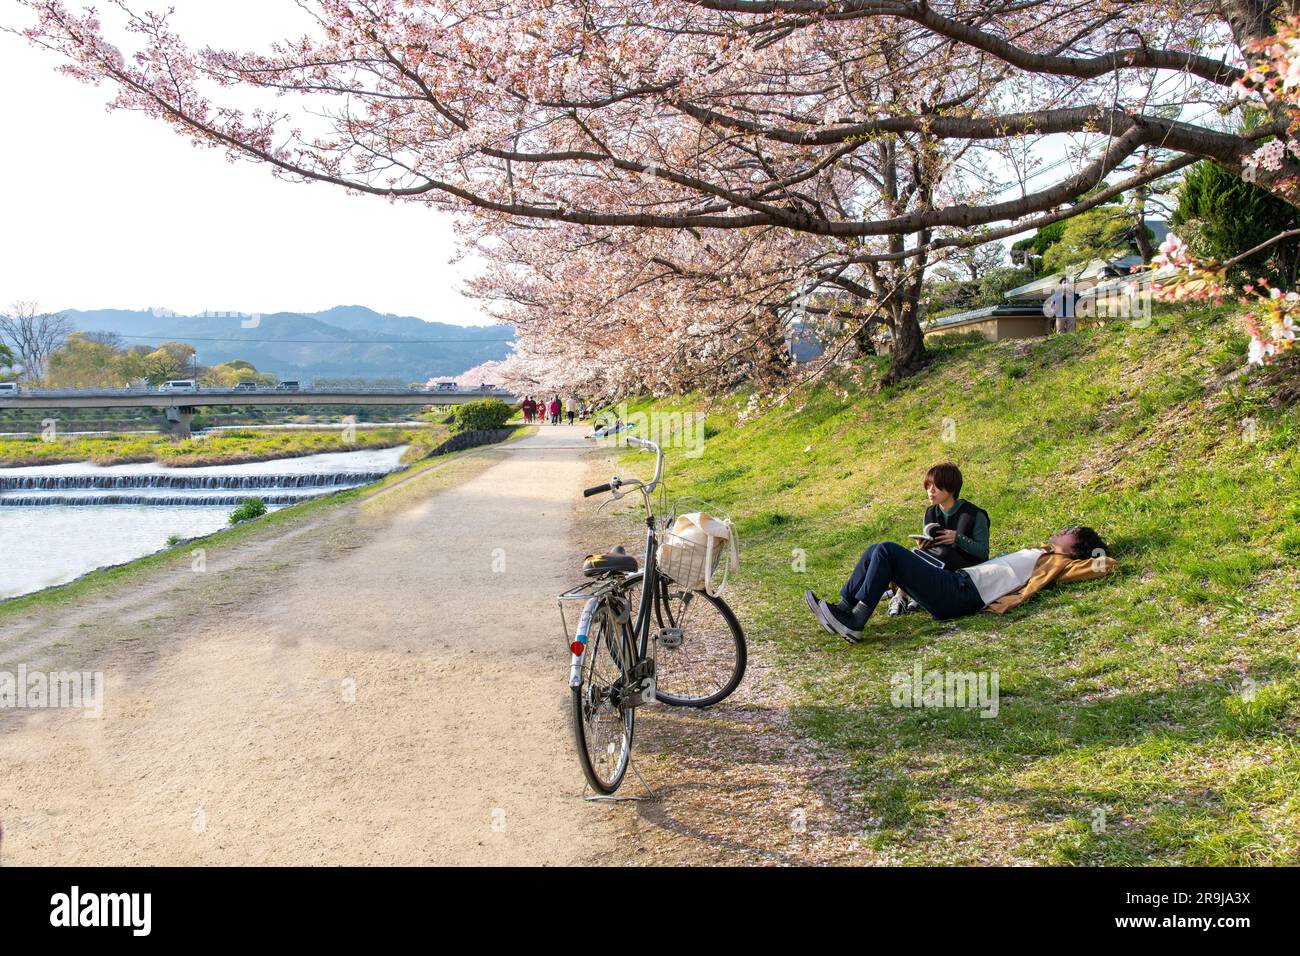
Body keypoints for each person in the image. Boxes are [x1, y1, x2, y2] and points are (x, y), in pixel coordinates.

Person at [804, 527, 1113, 643]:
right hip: (956, 583)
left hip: (961, 595)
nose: (1062, 530)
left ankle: (856, 620)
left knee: (887, 549)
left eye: (1070, 532)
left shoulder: (1059, 563)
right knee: (877, 549)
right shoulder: (1042, 553)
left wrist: (1091, 554)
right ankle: (843, 608)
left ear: (1075, 548)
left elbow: (1105, 566)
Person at [888, 463, 989, 616]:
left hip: (965, 572)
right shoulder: (930, 513)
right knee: (915, 554)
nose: (930, 491)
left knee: (942, 553)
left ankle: (903, 593)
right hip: (938, 568)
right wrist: (923, 545)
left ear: (951, 488)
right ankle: (902, 594)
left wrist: (958, 538)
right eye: (928, 486)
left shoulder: (974, 515)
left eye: (936, 486)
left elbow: (983, 553)